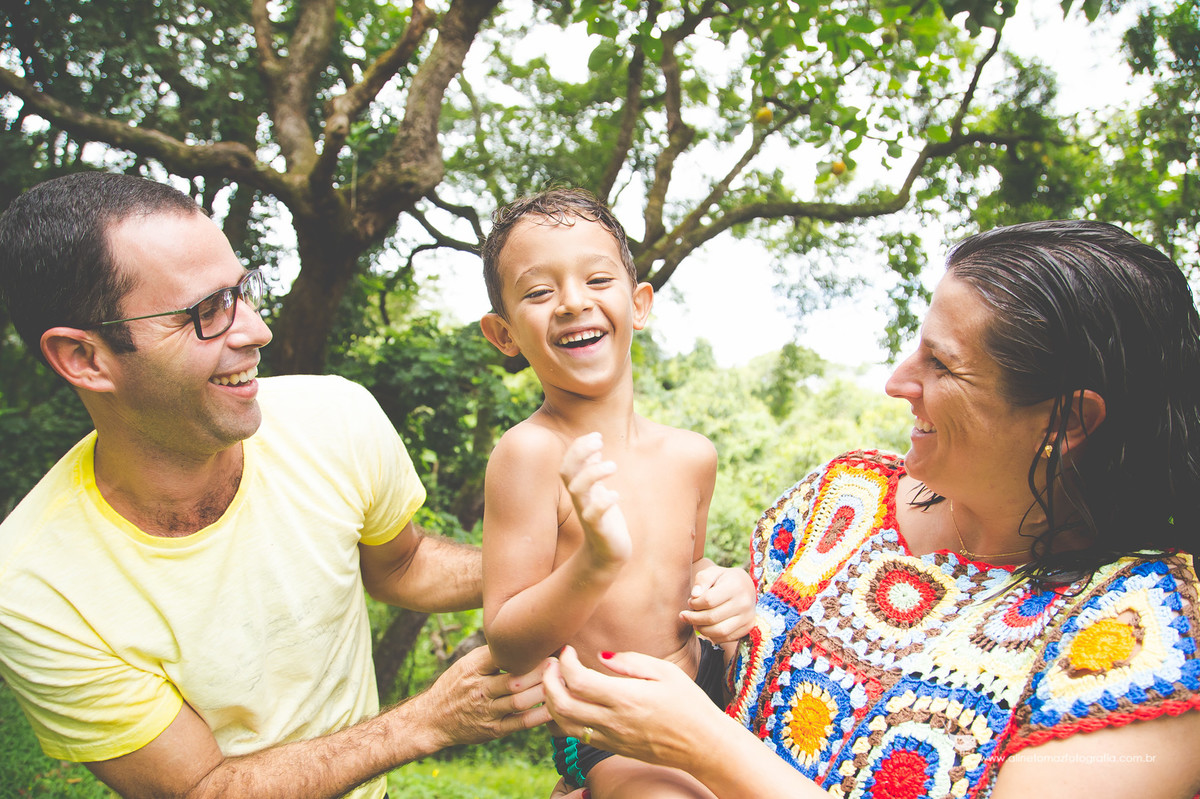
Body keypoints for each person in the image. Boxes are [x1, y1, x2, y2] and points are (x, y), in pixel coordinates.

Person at [542, 220, 1200, 798]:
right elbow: (720, 670)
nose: (897, 381)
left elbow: (705, 731)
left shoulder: (1149, 641)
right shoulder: (844, 496)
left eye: (941, 364)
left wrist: (704, 746)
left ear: (1068, 422)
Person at [0, 172, 551, 799]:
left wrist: (572, 563)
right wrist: (425, 722)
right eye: (204, 313)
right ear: (84, 358)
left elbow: (401, 564)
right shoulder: (33, 589)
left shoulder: (334, 418)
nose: (256, 330)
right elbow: (201, 789)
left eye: (242, 291)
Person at [477, 188, 756, 797]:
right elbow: (509, 639)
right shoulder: (530, 454)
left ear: (639, 303)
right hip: (607, 722)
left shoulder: (692, 455)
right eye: (538, 291)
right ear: (503, 334)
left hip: (711, 691)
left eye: (597, 279)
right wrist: (596, 560)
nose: (573, 303)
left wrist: (730, 588)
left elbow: (689, 567)